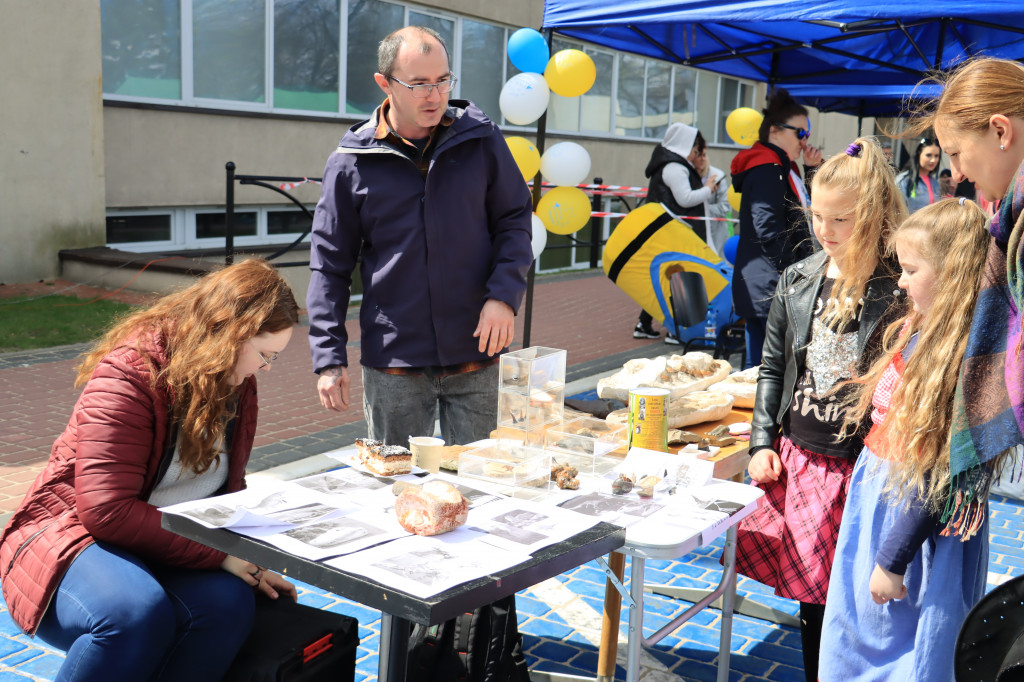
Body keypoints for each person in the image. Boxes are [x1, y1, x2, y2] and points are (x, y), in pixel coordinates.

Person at [0, 259, 299, 681]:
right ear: (228, 333)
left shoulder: (236, 381)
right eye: (264, 354)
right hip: (72, 536)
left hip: (159, 539)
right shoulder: (131, 373)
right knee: (134, 615)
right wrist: (220, 554)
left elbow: (226, 492)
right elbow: (106, 511)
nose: (264, 369)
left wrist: (251, 558)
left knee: (230, 604)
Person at [307, 26, 533, 446]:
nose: (435, 95)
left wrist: (503, 296)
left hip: (477, 356)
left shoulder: (481, 141)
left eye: (443, 80)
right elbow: (329, 265)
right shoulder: (349, 162)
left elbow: (514, 220)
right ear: (384, 83)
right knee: (398, 492)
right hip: (395, 363)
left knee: (483, 487)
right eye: (419, 84)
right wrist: (328, 358)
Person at [732, 138, 907, 682]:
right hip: (802, 460)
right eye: (817, 215)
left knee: (856, 598)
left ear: (874, 215)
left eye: (841, 219)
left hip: (859, 466)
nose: (825, 230)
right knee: (813, 602)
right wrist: (762, 441)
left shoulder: (900, 285)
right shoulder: (799, 277)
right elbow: (772, 368)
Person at [818, 198, 992, 680]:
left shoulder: (957, 360)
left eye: (911, 269)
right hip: (886, 500)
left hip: (910, 524)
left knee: (903, 657)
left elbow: (934, 473)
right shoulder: (926, 330)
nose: (899, 280)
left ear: (953, 276)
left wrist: (893, 560)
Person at [730, 89, 823, 369]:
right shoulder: (766, 167)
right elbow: (768, 227)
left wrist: (812, 170)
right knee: (765, 369)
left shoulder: (783, 166)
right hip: (769, 283)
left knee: (767, 367)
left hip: (772, 281)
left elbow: (814, 209)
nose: (805, 141)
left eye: (807, 134)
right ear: (775, 131)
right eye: (800, 134)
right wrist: (795, 273)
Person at [633, 122, 721, 342]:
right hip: (674, 231)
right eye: (695, 150)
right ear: (685, 146)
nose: (696, 155)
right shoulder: (675, 167)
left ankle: (645, 324)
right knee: (678, 279)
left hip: (668, 229)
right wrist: (708, 189)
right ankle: (676, 330)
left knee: (670, 278)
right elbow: (685, 198)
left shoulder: (671, 165)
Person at [896, 137, 942, 213]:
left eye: (936, 156)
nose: (933, 160)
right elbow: (896, 211)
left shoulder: (935, 183)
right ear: (919, 154)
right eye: (928, 155)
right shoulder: (904, 180)